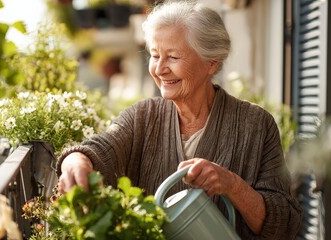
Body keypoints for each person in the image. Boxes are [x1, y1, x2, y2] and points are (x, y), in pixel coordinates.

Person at [57, 1, 302, 239]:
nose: (159, 69)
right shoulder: (143, 117)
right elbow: (102, 148)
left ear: (211, 62)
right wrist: (76, 162)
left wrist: (231, 184)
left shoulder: (256, 125)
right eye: (155, 55)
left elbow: (285, 224)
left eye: (172, 57)